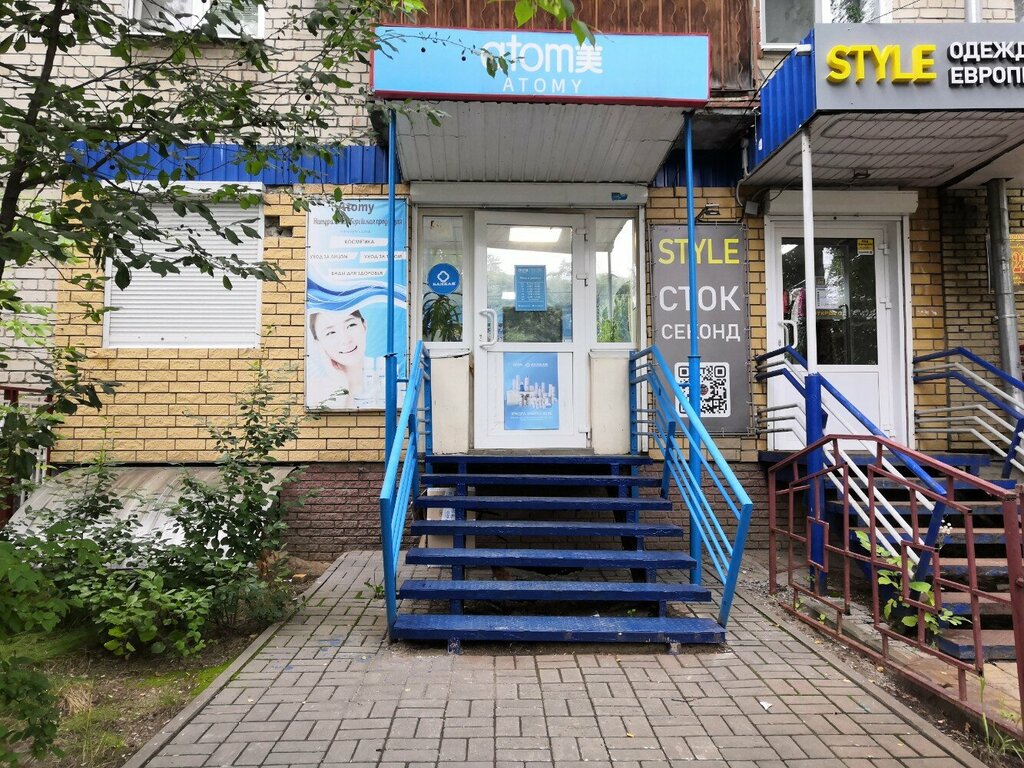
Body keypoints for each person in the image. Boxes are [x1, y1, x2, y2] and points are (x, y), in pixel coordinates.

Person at [308, 309, 369, 409]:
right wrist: (341, 385)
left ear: (364, 326)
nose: (345, 340)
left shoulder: (387, 382)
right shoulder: (312, 392)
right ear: (318, 343)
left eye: (351, 325)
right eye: (331, 332)